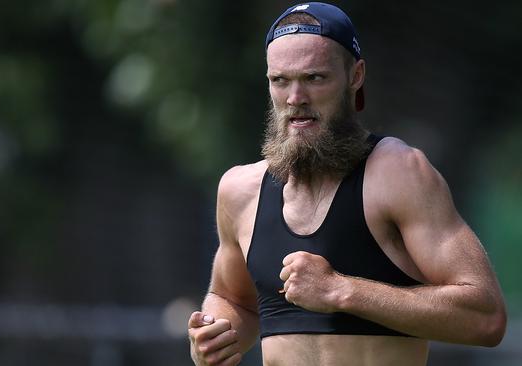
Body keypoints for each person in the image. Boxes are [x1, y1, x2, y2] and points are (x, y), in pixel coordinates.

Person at [187, 2, 507, 365]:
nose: (295, 98)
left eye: (314, 78)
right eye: (281, 80)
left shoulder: (398, 173)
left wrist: (342, 290)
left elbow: (486, 317)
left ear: (355, 76)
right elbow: (233, 300)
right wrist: (215, 335)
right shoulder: (239, 190)